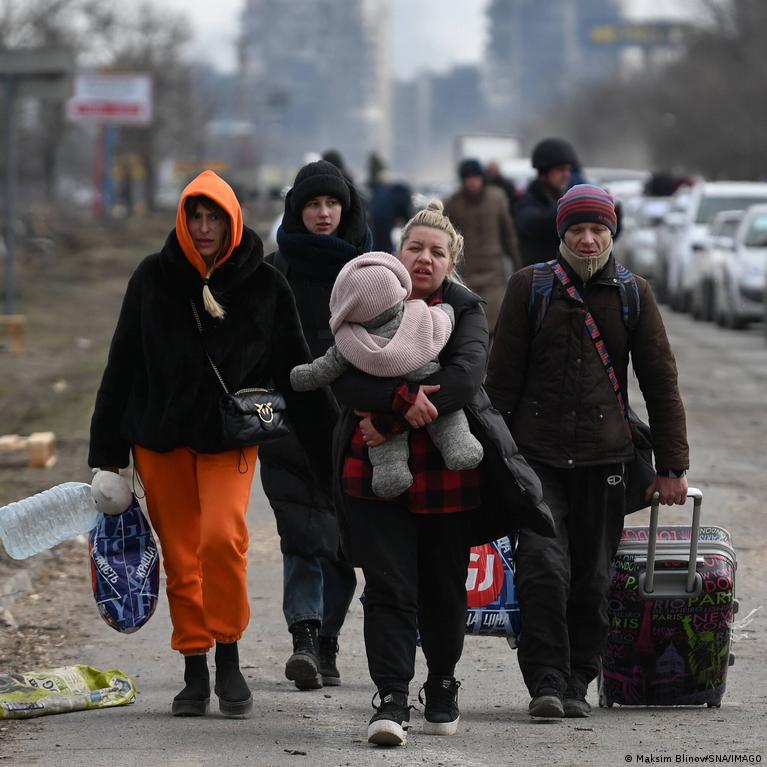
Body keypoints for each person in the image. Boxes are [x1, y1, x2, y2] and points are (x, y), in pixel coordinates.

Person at [88, 170, 337, 718]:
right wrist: (107, 456)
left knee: (223, 539)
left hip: (230, 439)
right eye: (195, 217)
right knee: (182, 557)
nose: (203, 228)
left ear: (231, 221)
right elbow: (122, 364)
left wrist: (332, 448)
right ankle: (195, 665)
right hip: (160, 441)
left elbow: (296, 369)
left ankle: (229, 651)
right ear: (183, 220)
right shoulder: (152, 278)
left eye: (213, 218)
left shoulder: (265, 284)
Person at [329, 200, 554, 746]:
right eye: (415, 248)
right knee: (388, 585)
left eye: (437, 252)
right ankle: (391, 696)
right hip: (374, 474)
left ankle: (442, 681)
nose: (424, 259)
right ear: (398, 253)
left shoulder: (465, 309)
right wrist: (400, 400)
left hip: (448, 474)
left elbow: (465, 377)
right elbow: (342, 375)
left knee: (444, 587)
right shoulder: (367, 295)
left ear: (452, 263)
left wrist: (392, 414)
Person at [485, 184, 690, 720]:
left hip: (606, 462)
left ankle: (578, 678)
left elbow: (660, 381)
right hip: (536, 460)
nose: (588, 239)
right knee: (542, 568)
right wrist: (489, 459)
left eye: (598, 229)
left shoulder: (633, 294)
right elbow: (499, 385)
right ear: (562, 233)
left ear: (612, 232)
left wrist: (672, 467)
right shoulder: (529, 288)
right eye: (577, 229)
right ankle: (547, 681)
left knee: (593, 579)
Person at [259, 159, 368, 691]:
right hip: (289, 425)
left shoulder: (370, 271)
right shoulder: (273, 270)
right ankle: (303, 637)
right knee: (301, 535)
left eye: (332, 204)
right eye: (313, 205)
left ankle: (327, 639)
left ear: (345, 210)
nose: (323, 213)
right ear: (296, 210)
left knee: (343, 543)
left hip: (352, 424)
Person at [444, 158, 521, 333]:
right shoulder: (453, 203)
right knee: (469, 323)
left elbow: (509, 235)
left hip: (494, 273)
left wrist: (517, 265)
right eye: (468, 178)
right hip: (466, 272)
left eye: (476, 177)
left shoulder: (497, 198)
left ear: (482, 178)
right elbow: (446, 239)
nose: (472, 182)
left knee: (497, 323)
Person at [514, 137, 579, 267]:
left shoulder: (562, 197)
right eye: (560, 169)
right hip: (539, 275)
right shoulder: (526, 201)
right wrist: (570, 205)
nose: (566, 175)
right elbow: (534, 225)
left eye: (568, 169)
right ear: (544, 174)